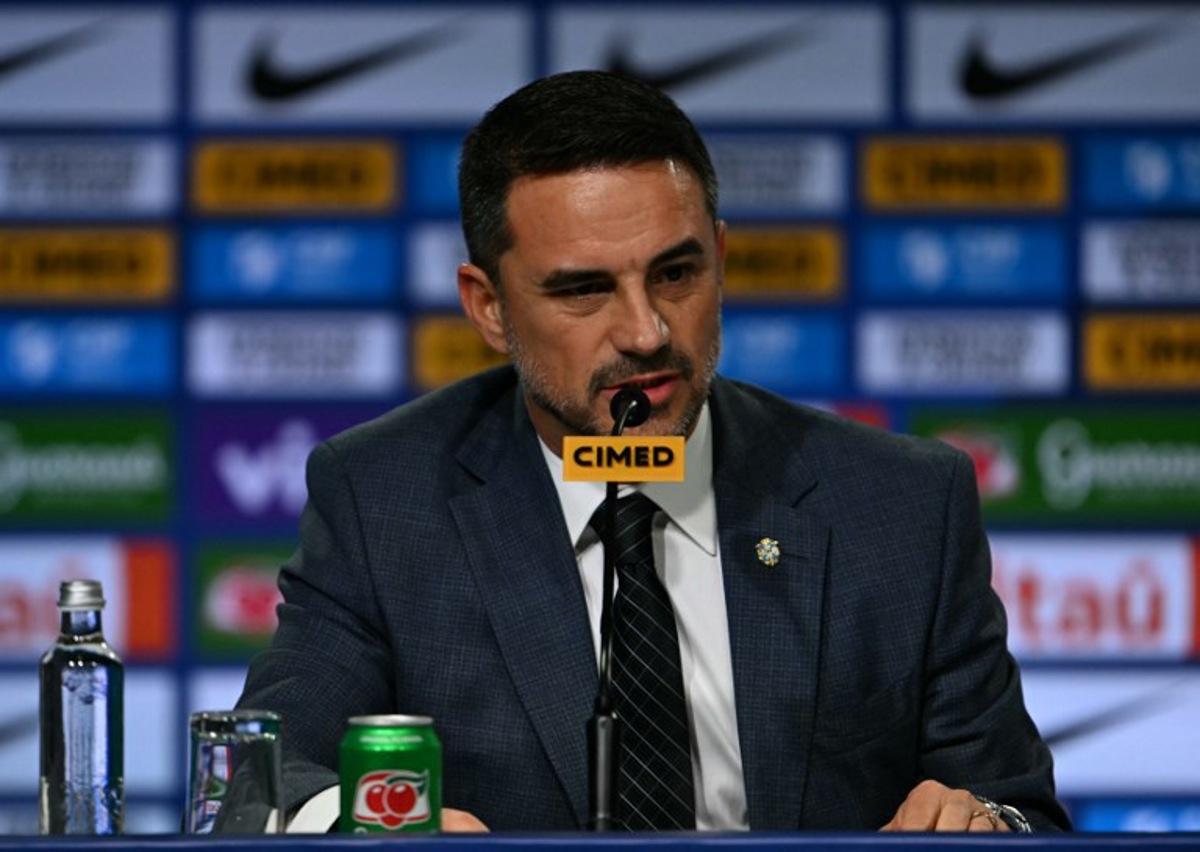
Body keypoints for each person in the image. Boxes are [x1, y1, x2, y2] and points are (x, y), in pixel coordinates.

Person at [235, 70, 1070, 834]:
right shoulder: (385, 500)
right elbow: (263, 784)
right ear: (488, 307)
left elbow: (1023, 809)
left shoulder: (898, 506)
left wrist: (982, 824)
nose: (646, 333)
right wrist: (363, 830)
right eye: (584, 289)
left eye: (676, 274)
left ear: (721, 258)